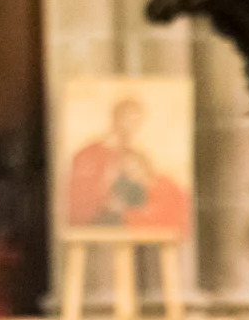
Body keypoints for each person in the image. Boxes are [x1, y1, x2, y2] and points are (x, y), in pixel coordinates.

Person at [67, 97, 189, 233]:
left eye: (137, 122)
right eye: (129, 120)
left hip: (133, 226)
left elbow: (149, 187)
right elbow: (82, 196)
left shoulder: (136, 155)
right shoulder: (91, 153)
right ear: (116, 119)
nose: (132, 127)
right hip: (99, 225)